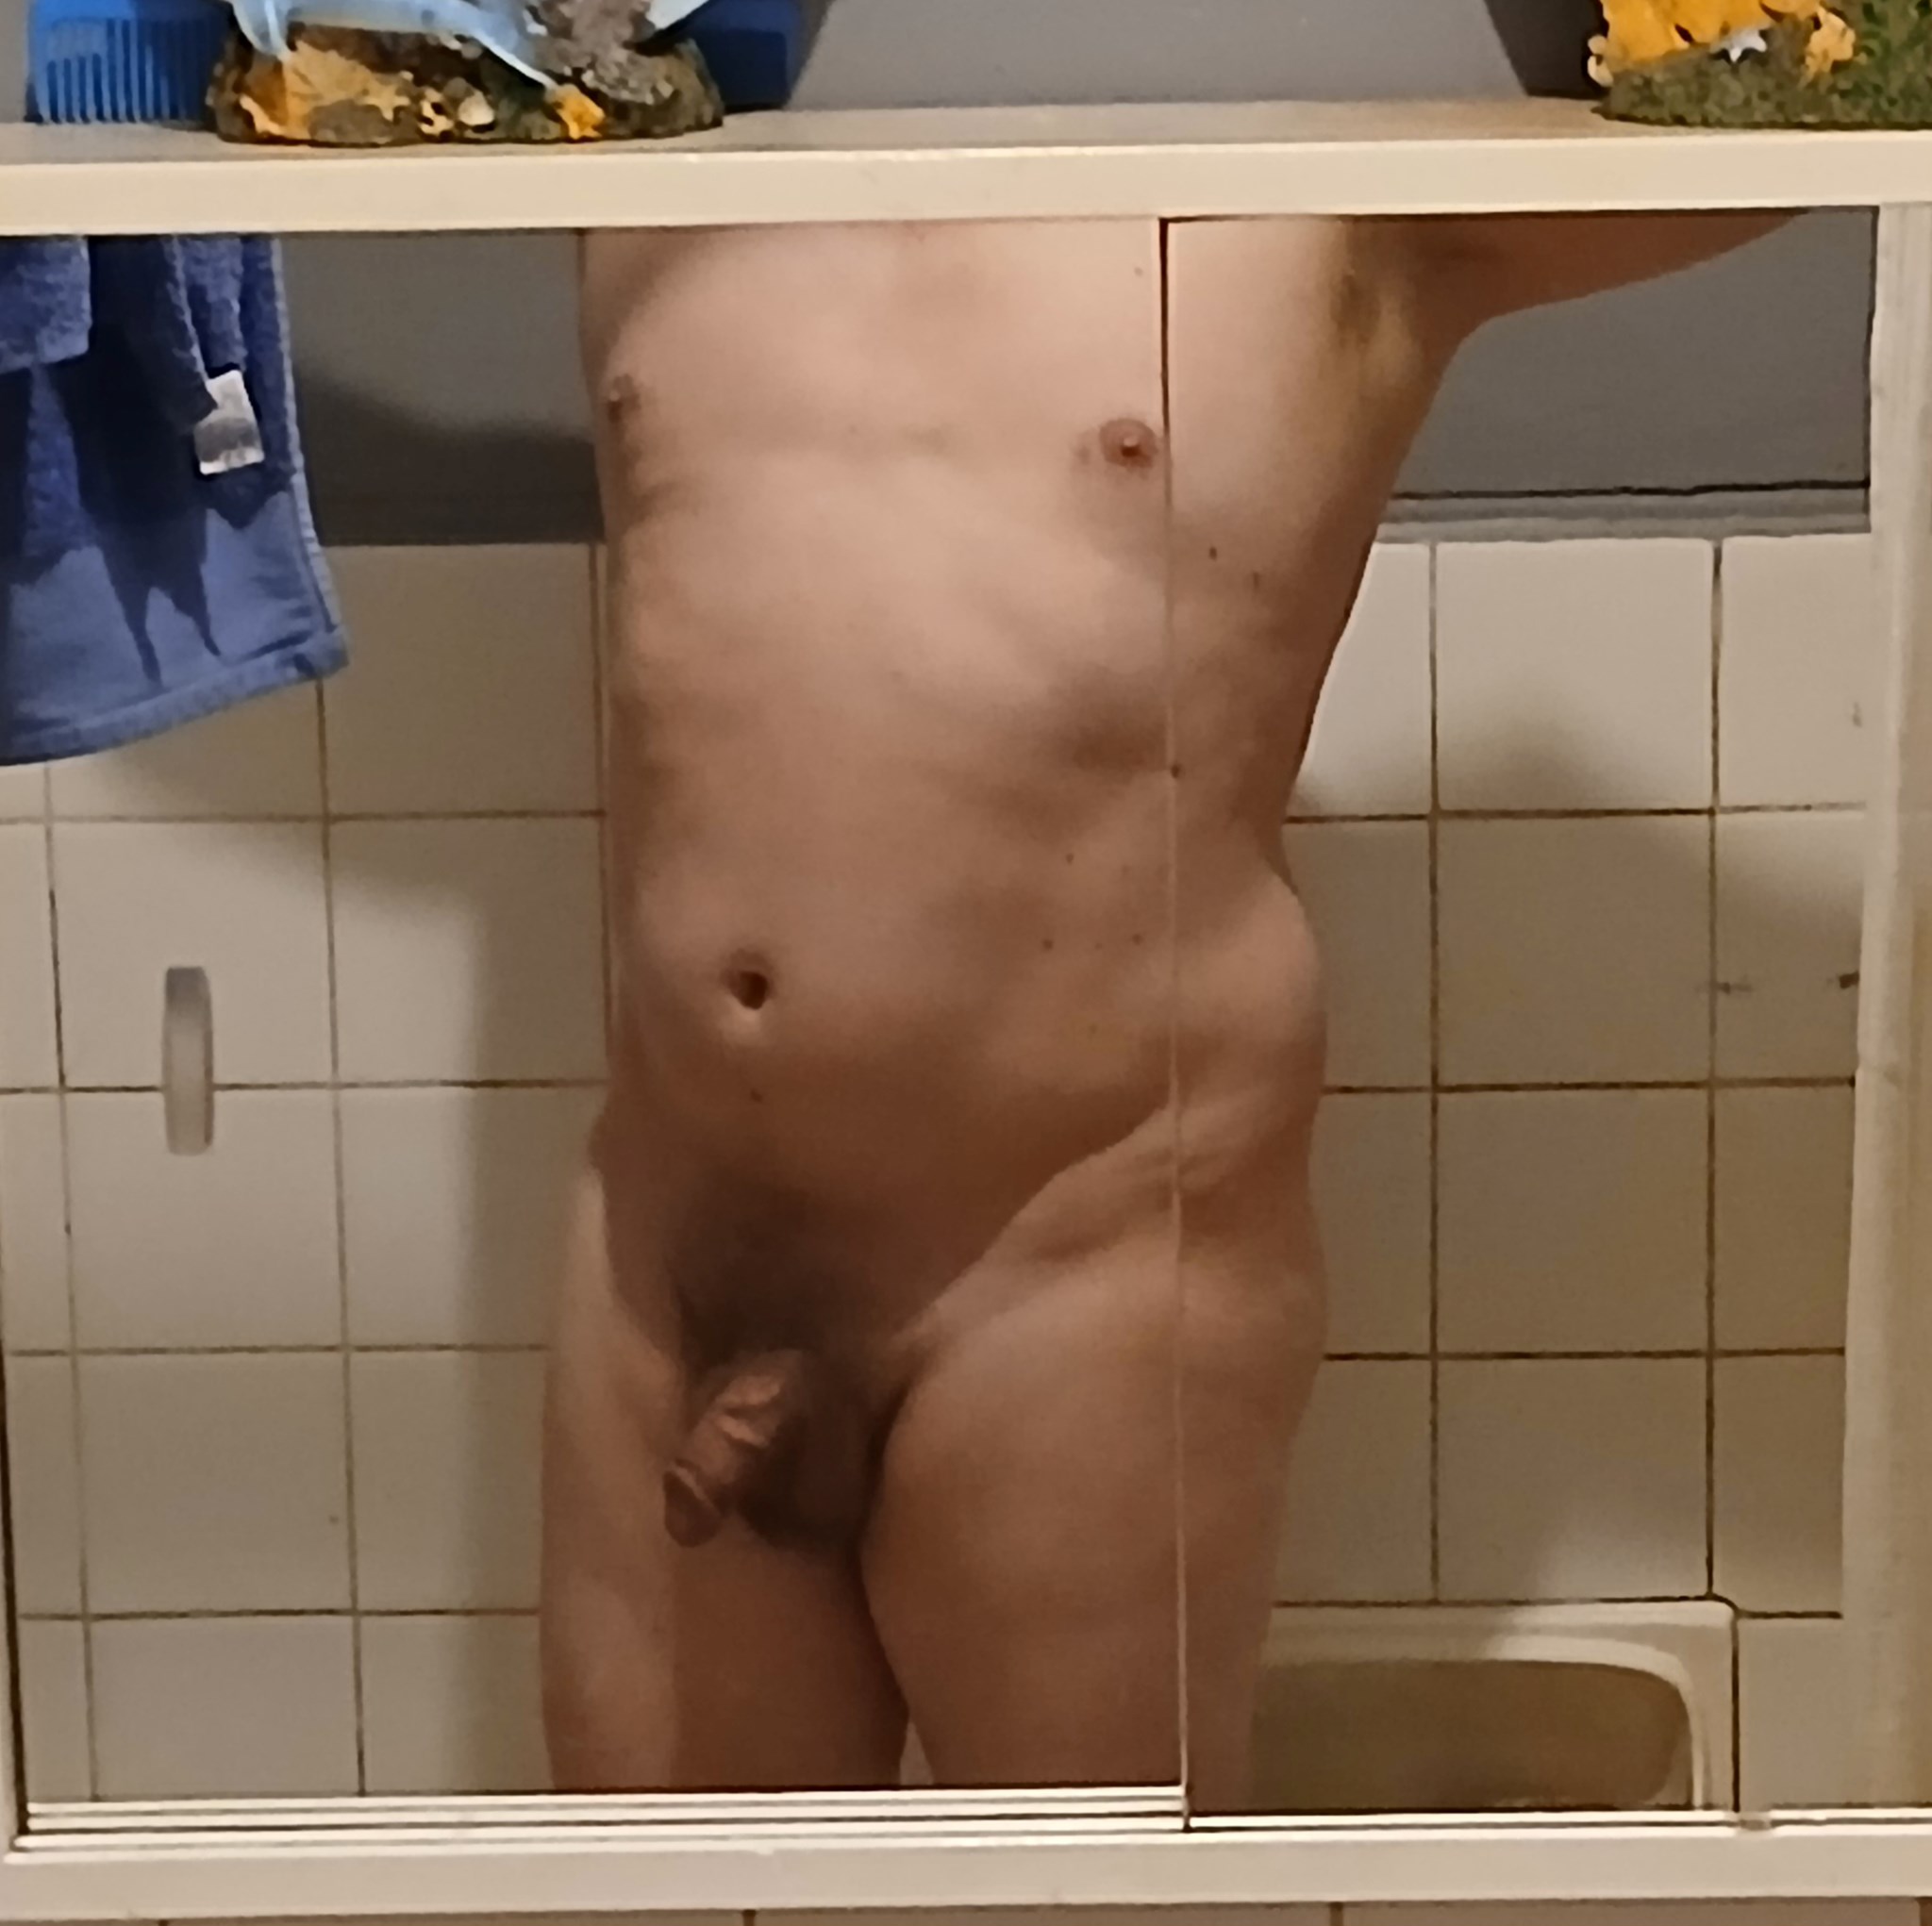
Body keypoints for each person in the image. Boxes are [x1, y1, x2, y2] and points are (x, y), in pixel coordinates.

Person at [541, 211, 1785, 1802]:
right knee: (659, 1901)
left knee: (1097, 1900)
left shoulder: (1346, 213)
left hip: (1077, 1253)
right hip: (672, 1236)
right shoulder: (637, 172)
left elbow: (1803, 136)